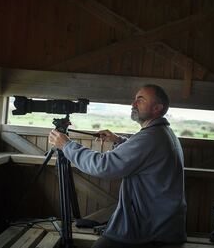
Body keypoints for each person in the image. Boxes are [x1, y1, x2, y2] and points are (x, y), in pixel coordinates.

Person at [48, 84, 187, 248]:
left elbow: (103, 166)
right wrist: (118, 141)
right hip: (161, 224)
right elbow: (142, 155)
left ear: (157, 108)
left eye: (140, 100)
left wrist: (66, 146)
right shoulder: (161, 132)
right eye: (135, 99)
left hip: (149, 231)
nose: (133, 104)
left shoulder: (151, 137)